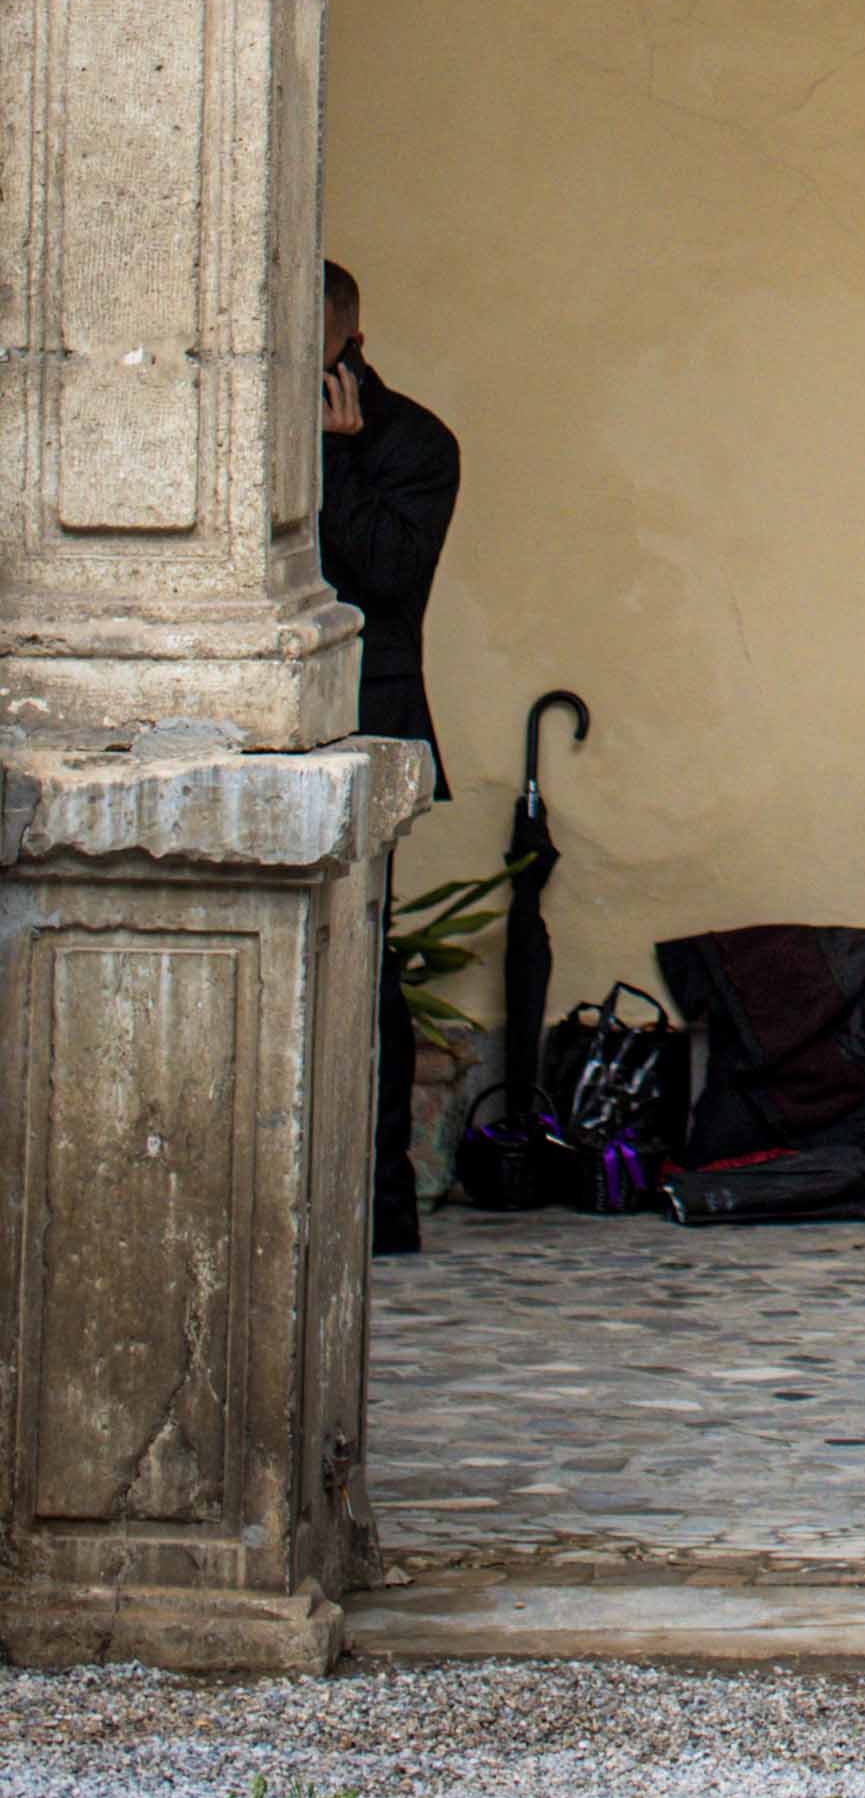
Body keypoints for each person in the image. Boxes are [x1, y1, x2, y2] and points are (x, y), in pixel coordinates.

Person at [317, 261, 462, 1256]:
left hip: (369, 716)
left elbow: (387, 581)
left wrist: (336, 458)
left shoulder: (414, 441)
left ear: (345, 340)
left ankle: (380, 1203)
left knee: (361, 968)